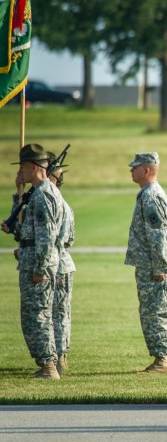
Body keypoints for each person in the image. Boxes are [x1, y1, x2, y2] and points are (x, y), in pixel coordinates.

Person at [12, 144, 64, 379]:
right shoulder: (39, 193)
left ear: (34, 167)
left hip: (38, 264)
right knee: (37, 314)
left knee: (38, 315)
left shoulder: (43, 195)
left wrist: (40, 268)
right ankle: (47, 362)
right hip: (33, 260)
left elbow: (46, 236)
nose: (20, 171)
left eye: (23, 166)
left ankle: (48, 366)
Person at [125, 152, 167, 373]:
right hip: (150, 265)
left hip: (156, 266)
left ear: (146, 170)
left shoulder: (151, 196)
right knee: (151, 312)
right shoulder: (147, 194)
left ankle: (161, 361)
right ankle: (159, 359)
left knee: (157, 312)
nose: (131, 170)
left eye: (135, 167)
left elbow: (158, 236)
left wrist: (158, 267)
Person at [46, 151, 75, 376]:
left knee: (59, 313)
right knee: (57, 313)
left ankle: (61, 357)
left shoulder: (56, 202)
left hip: (59, 264)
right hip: (61, 261)